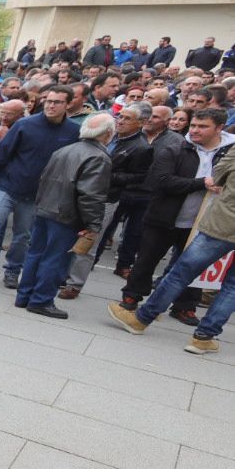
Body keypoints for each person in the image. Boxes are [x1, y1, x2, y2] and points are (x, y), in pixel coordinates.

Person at [109, 143, 235, 355]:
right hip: (223, 223)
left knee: (181, 272)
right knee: (232, 287)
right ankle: (203, 337)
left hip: (223, 224)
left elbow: (218, 174)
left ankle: (141, 319)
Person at [0, 87, 79, 289]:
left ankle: (12, 271)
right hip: (7, 186)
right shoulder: (25, 125)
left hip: (38, 195)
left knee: (23, 236)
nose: (51, 105)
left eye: (57, 102)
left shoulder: (73, 132)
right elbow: (1, 155)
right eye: (48, 101)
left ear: (68, 104)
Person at [118, 109, 235, 319]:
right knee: (147, 259)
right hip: (164, 216)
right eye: (194, 126)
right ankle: (131, 297)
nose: (195, 130)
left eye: (203, 126)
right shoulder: (176, 147)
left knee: (193, 265)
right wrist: (202, 183)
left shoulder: (229, 151)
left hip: (203, 222)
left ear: (219, 128)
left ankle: (185, 305)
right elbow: (160, 181)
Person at [14, 114, 114, 319]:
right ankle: (41, 300)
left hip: (46, 208)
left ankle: (25, 295)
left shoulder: (64, 150)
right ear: (108, 134)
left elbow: (44, 179)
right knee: (56, 259)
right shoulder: (98, 157)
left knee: (36, 254)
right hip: (66, 214)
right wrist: (93, 224)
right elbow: (91, 195)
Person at [60, 102, 152, 298]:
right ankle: (61, 274)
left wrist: (107, 174)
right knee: (69, 234)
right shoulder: (108, 136)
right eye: (120, 117)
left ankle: (74, 285)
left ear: (141, 123)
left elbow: (139, 176)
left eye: (128, 118)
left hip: (105, 199)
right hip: (80, 192)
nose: (121, 121)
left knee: (89, 241)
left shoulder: (141, 147)